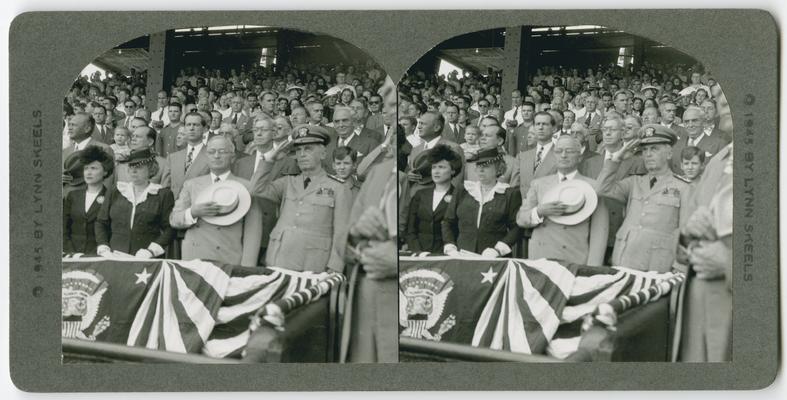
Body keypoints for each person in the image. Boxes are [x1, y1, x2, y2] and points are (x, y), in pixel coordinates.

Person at [249, 125, 352, 272]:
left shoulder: (338, 188)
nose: (302, 154)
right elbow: (255, 190)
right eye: (298, 150)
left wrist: (335, 266)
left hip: (312, 265)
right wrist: (270, 160)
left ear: (323, 153)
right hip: (278, 259)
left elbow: (342, 232)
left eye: (308, 149)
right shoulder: (288, 182)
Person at [593, 124, 691, 272]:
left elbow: (687, 233)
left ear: (669, 154)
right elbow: (601, 189)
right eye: (645, 150)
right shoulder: (635, 182)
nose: (648, 154)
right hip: (623, 260)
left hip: (657, 267)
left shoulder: (684, 187)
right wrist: (616, 160)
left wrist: (679, 270)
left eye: (654, 149)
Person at [169, 135, 263, 266]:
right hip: (194, 258)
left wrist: (247, 268)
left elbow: (253, 233)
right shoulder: (191, 185)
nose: (216, 156)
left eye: (222, 152)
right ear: (206, 157)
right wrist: (193, 212)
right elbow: (174, 220)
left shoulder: (246, 187)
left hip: (228, 259)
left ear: (233, 157)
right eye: (211, 152)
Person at [516, 136, 608, 265]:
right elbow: (521, 219)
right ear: (554, 156)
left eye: (569, 151)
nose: (563, 155)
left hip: (574, 260)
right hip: (541, 258)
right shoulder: (539, 184)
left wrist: (592, 269)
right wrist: (539, 211)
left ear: (580, 157)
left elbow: (599, 233)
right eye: (559, 151)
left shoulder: (592, 187)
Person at [442, 147, 522, 257]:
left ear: (499, 168)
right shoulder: (464, 190)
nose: (481, 170)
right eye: (478, 166)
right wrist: (450, 246)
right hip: (461, 255)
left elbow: (517, 227)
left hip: (494, 258)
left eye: (486, 166)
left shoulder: (509, 194)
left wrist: (498, 249)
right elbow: (448, 221)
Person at [95, 148, 175, 258]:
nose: (133, 171)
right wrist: (103, 247)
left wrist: (151, 250)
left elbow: (170, 228)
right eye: (131, 167)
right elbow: (101, 222)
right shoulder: (116, 191)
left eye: (139, 167)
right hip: (114, 255)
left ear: (151, 169)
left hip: (146, 258)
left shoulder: (162, 194)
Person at [405, 144, 461, 253]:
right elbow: (410, 230)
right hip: (419, 253)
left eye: (441, 167)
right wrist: (418, 252)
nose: (436, 171)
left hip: (446, 254)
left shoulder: (459, 196)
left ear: (453, 170)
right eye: (434, 167)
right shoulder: (420, 195)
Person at [63, 146, 114, 255]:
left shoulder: (111, 197)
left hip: (99, 255)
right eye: (86, 168)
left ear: (105, 172)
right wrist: (71, 252)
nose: (88, 172)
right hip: (72, 254)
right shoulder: (73, 196)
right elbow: (63, 228)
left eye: (93, 168)